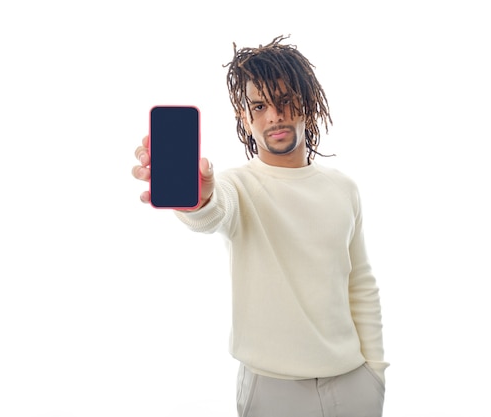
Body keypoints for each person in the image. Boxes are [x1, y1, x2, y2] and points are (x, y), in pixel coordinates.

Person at [132, 35, 388, 417]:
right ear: (245, 118)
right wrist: (197, 198)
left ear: (307, 104)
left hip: (353, 386)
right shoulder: (238, 185)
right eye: (260, 105)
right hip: (274, 392)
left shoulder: (344, 188)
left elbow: (361, 283)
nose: (275, 115)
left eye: (285, 101)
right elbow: (214, 211)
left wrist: (375, 374)